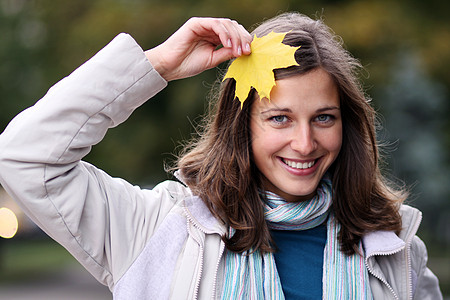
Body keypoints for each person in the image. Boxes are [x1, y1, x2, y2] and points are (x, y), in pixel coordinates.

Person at [0, 12, 442, 299]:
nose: (305, 144)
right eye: (280, 119)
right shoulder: (157, 229)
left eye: (323, 118)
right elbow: (24, 156)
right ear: (242, 126)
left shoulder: (397, 247)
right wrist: (156, 65)